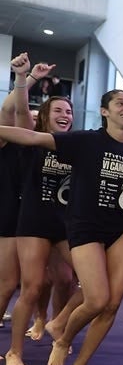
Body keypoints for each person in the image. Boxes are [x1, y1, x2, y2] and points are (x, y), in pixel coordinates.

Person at [0, 89, 123, 365]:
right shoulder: (84, 141)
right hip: (68, 225)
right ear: (103, 111)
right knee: (54, 291)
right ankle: (23, 347)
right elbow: (30, 134)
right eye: (119, 103)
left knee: (103, 297)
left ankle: (76, 356)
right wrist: (25, 80)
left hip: (118, 228)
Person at [3, 58, 76, 365]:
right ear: (45, 116)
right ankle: (14, 351)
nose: (65, 115)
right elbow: (20, 113)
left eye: (69, 112)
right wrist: (23, 77)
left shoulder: (76, 145)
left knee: (76, 279)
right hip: (33, 222)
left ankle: (59, 328)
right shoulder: (33, 141)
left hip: (64, 224)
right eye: (58, 110)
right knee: (31, 287)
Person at [0, 55, 55, 346]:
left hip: (41, 215)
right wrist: (26, 77)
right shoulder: (11, 141)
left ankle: (43, 319)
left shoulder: (45, 144)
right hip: (11, 215)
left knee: (47, 279)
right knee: (9, 282)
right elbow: (14, 108)